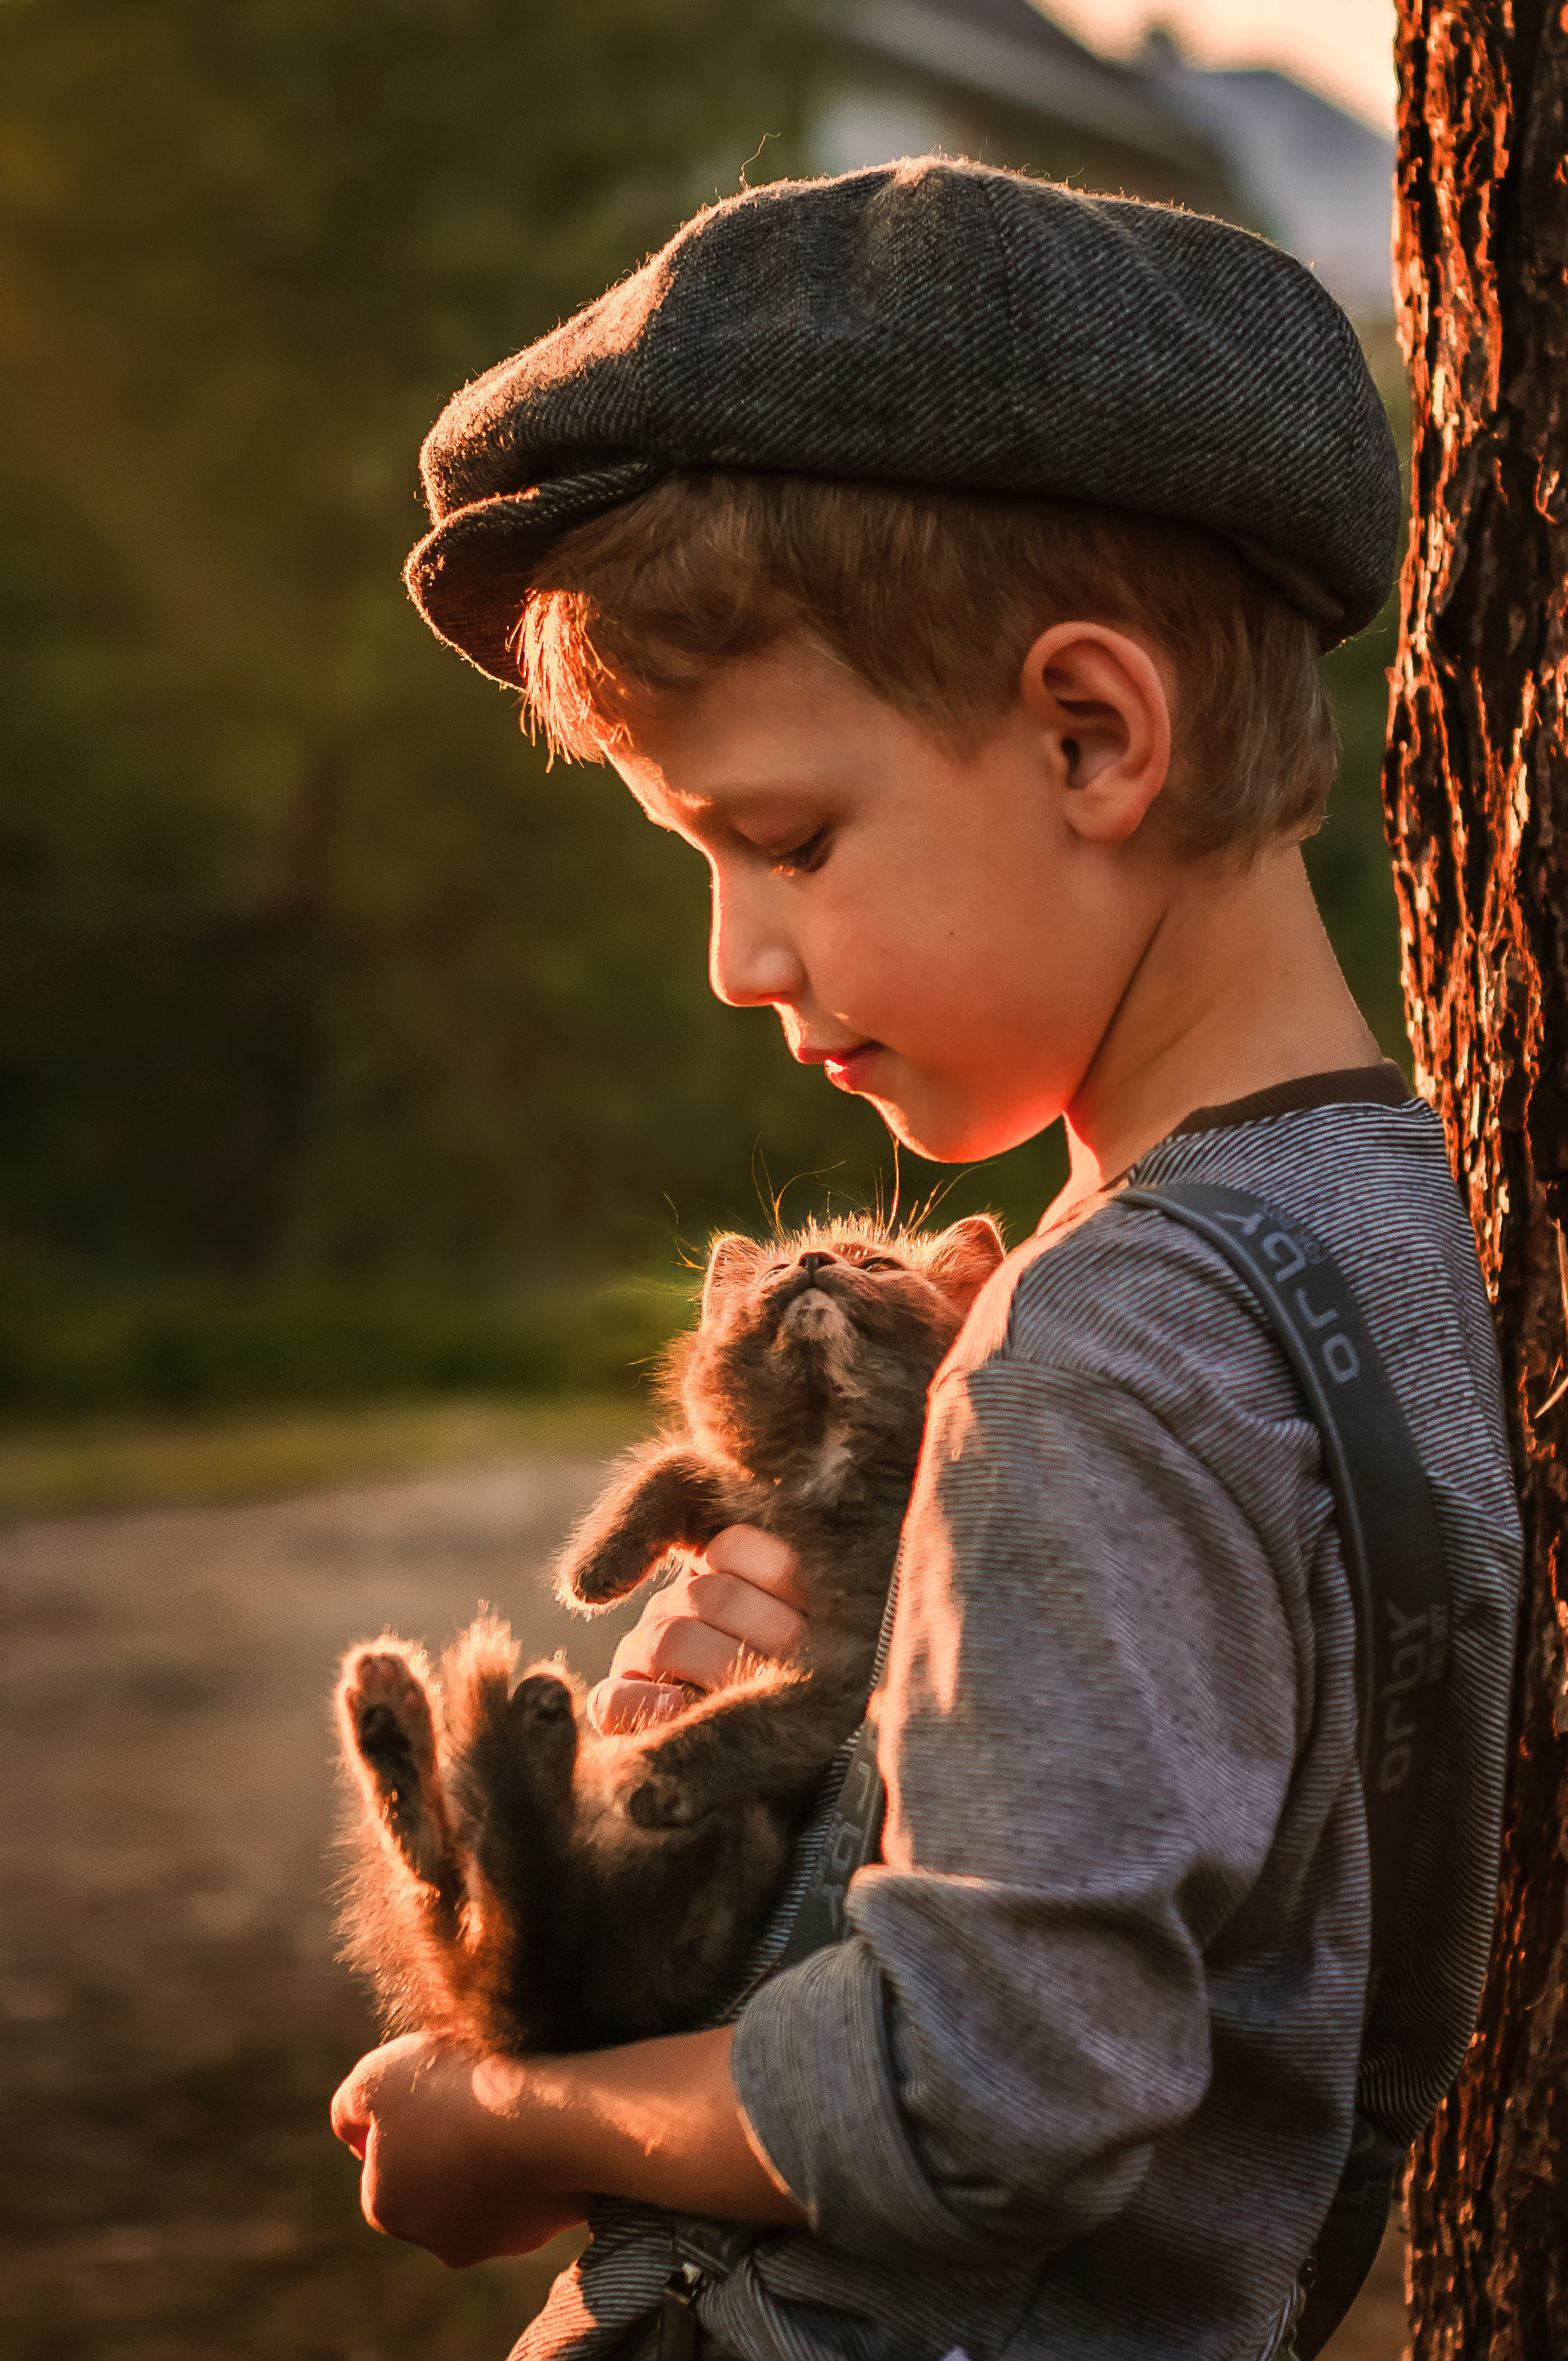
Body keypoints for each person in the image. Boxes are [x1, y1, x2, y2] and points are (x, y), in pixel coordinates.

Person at [331, 161, 1521, 2360]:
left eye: (785, 840)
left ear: (1094, 735)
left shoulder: (1105, 1350)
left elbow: (989, 2093)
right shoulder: (1384, 1223)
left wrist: (510, 2115)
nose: (734, 956)